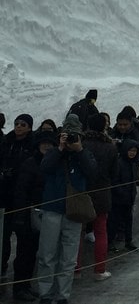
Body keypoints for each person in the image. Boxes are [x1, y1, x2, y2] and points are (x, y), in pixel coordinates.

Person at [37, 114, 97, 304]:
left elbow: (94, 173)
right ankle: (45, 294)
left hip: (74, 211)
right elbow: (44, 168)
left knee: (69, 257)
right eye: (67, 135)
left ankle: (63, 295)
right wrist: (60, 149)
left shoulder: (84, 153)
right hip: (53, 207)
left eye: (74, 135)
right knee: (47, 254)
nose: (71, 138)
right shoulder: (55, 152)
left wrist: (79, 150)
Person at [10, 130, 52, 301]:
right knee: (23, 254)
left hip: (40, 213)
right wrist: (20, 216)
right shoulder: (30, 163)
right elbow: (21, 191)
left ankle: (26, 285)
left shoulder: (50, 162)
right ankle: (19, 288)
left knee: (32, 253)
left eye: (50, 144)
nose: (47, 147)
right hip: (27, 214)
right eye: (44, 144)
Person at [76, 113, 118, 282]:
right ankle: (100, 269)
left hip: (82, 191)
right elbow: (114, 173)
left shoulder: (81, 144)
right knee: (101, 231)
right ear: (103, 126)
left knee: (77, 231)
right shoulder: (110, 147)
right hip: (102, 191)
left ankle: (75, 268)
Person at [1, 114, 35, 291]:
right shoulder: (6, 143)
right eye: (16, 124)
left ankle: (22, 286)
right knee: (3, 240)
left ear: (29, 127)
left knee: (25, 244)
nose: (19, 127)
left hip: (24, 201)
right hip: (5, 198)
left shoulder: (33, 145)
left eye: (23, 124)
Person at [107, 139, 139, 252]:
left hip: (129, 197)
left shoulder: (134, 163)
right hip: (118, 198)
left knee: (128, 220)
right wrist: (121, 192)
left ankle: (128, 240)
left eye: (134, 151)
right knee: (114, 221)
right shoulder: (119, 163)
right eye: (130, 150)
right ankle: (110, 241)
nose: (132, 153)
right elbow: (115, 181)